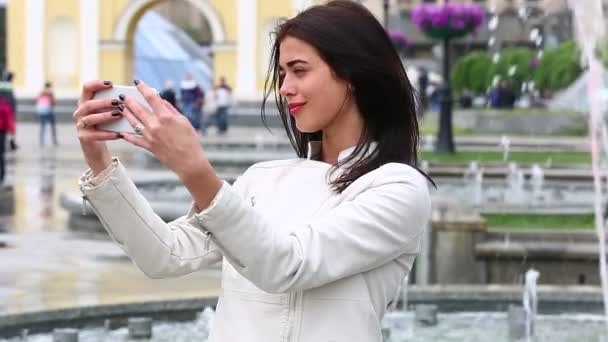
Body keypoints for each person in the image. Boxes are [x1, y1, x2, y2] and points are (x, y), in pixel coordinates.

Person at [72, 1, 432, 341]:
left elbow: (287, 265)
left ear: (352, 75)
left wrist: (193, 167)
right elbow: (166, 255)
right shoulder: (263, 178)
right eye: (281, 73)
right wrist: (100, 164)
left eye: (299, 71)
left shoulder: (397, 188)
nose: (285, 88)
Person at [0, 90, 15, 185]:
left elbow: (8, 119)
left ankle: (2, 174)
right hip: (2, 132)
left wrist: (11, 131)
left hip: (1, 132)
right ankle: (2, 174)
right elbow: (9, 119)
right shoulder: (4, 104)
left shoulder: (3, 105)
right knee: (1, 154)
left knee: (1, 154)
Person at [37, 81, 58, 146]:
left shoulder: (41, 92)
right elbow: (53, 102)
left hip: (41, 111)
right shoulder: (50, 92)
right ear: (50, 86)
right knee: (53, 126)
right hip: (49, 111)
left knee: (42, 126)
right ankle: (54, 141)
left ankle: (41, 141)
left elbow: (37, 100)